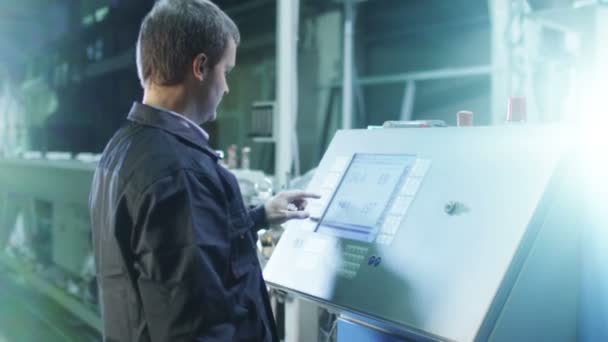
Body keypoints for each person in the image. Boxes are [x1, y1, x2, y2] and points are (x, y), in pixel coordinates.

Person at [89, 1, 318, 341]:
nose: (226, 87)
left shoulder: (122, 148)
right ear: (200, 67)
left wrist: (260, 216)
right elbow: (197, 326)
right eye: (226, 70)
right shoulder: (180, 170)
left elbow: (180, 250)